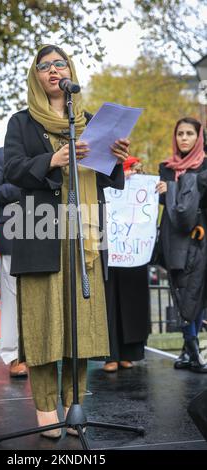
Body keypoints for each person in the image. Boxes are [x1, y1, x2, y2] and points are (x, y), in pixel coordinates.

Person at [3, 44, 129, 438]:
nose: (54, 70)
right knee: (43, 327)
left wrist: (117, 158)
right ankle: (45, 408)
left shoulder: (89, 121)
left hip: (83, 234)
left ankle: (75, 403)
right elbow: (11, 169)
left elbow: (107, 178)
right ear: (36, 76)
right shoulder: (21, 122)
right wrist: (51, 161)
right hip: (41, 233)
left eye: (61, 64)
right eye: (46, 66)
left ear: (70, 71)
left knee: (80, 325)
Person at [156, 116, 207, 373]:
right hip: (174, 237)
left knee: (195, 293)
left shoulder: (205, 165)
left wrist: (172, 189)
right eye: (180, 134)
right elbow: (161, 202)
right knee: (181, 291)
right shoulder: (166, 167)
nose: (184, 138)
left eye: (189, 134)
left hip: (199, 237)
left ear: (199, 138)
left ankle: (191, 348)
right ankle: (190, 348)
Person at [103, 156, 150, 372]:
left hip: (133, 251)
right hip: (110, 248)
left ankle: (130, 353)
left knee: (132, 302)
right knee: (109, 301)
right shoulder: (101, 167)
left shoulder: (138, 167)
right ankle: (110, 354)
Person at [0, 147, 28, 378]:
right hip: (12, 233)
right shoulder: (1, 154)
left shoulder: (51, 151)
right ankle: (14, 356)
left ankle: (44, 353)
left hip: (47, 230)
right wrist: (24, 187)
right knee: (11, 297)